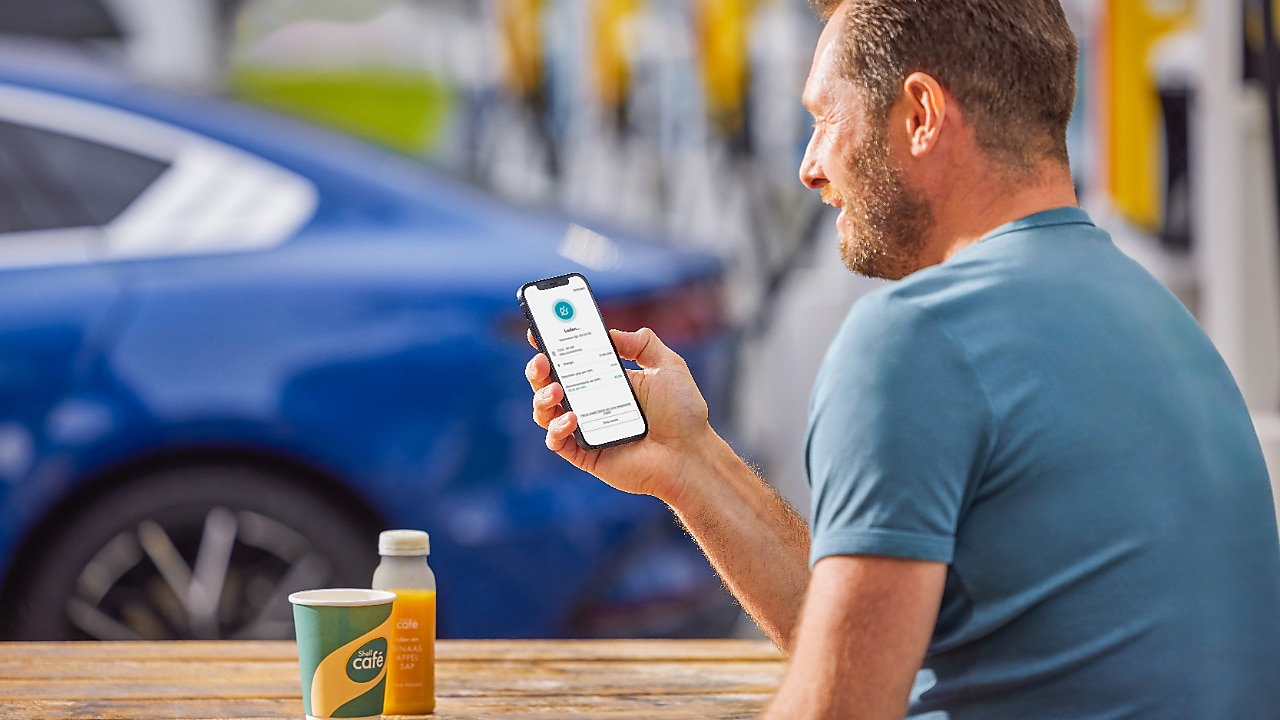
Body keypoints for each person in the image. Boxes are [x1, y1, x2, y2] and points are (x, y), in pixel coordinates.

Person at [525, 0, 1280, 716]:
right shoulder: (1166, 324)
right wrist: (689, 461)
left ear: (919, 115)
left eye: (824, 118)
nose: (809, 166)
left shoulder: (917, 337)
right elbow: (866, 648)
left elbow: (841, 708)